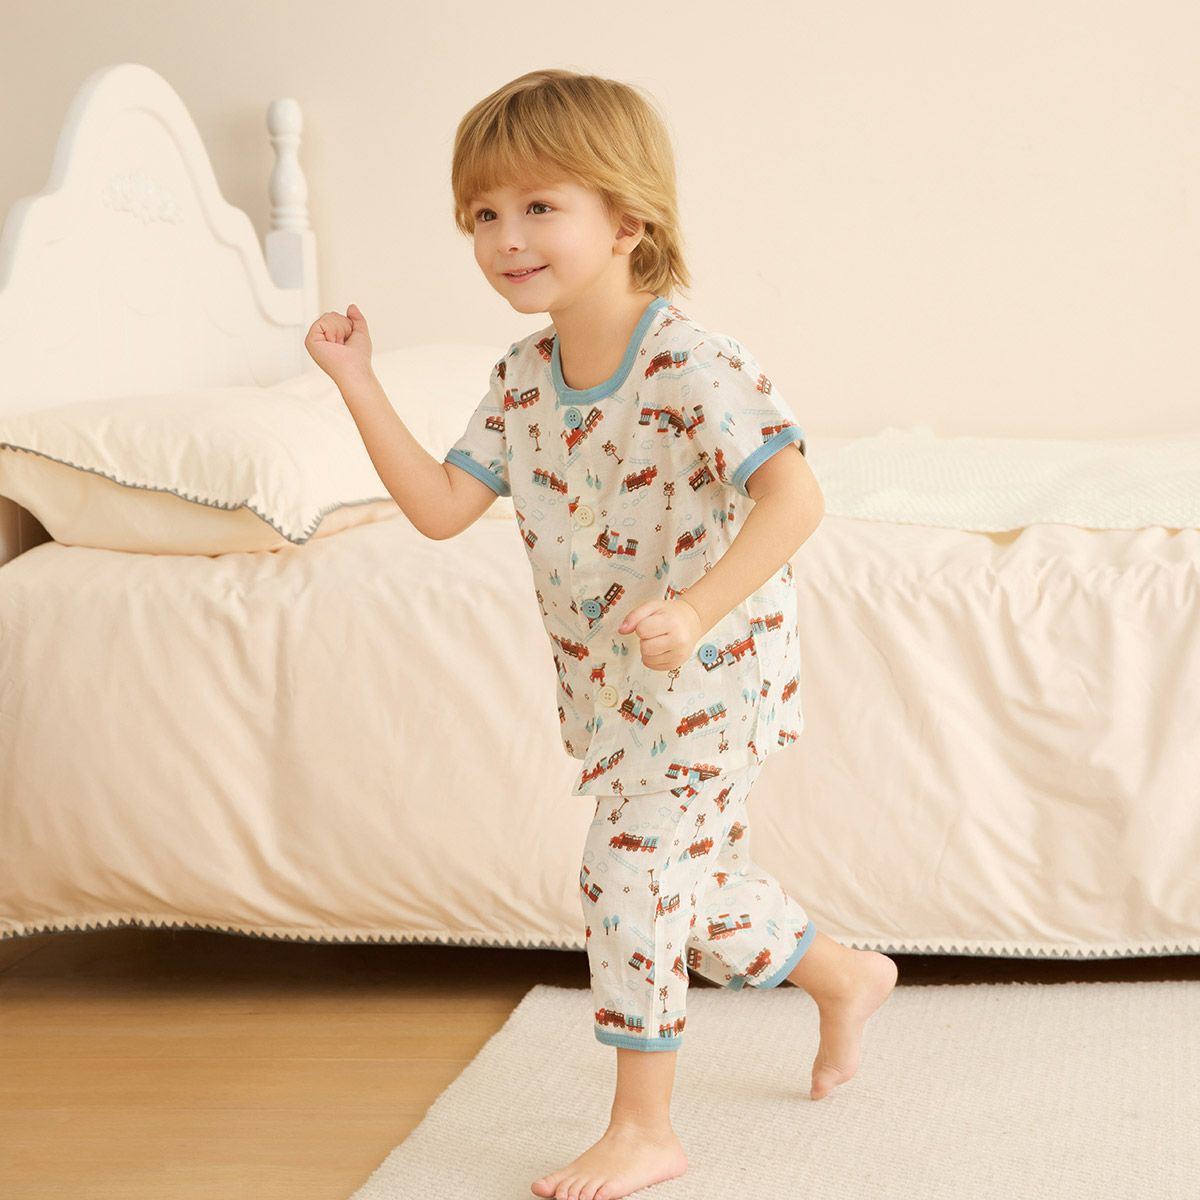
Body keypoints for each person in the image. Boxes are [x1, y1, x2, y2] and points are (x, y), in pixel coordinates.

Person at [305, 67, 898, 1200]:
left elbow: (796, 499)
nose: (505, 237)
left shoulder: (692, 362)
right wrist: (355, 381)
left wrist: (698, 607)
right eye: (484, 213)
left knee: (627, 875)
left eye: (539, 206)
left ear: (628, 220)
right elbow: (440, 508)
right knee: (695, 887)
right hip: (609, 687)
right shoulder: (522, 377)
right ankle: (841, 976)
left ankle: (643, 1129)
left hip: (713, 675)